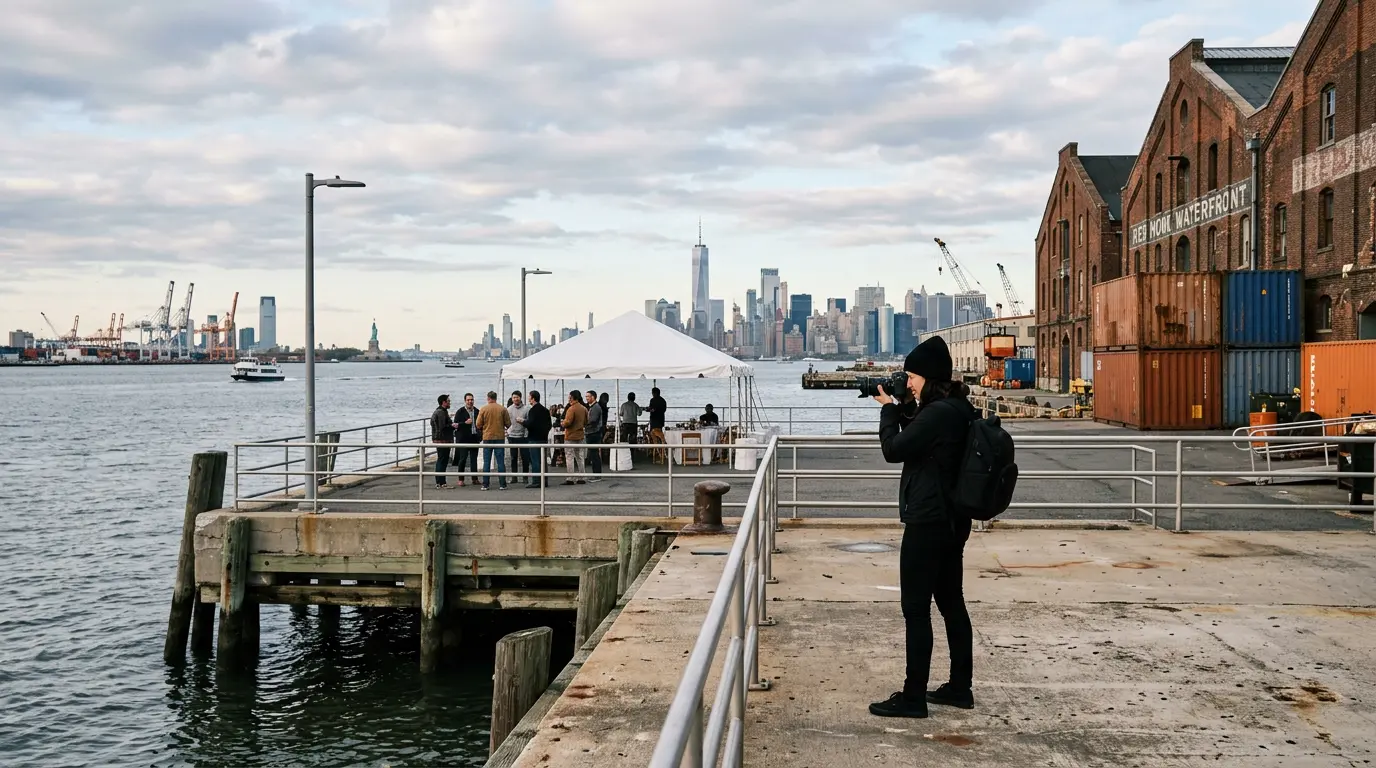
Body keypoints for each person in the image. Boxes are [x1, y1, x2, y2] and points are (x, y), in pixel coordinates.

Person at [868, 336, 977, 719]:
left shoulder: (937, 414)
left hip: (928, 521)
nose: (907, 382)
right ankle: (959, 688)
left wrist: (886, 410)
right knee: (950, 603)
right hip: (951, 521)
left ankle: (913, 697)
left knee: (916, 609)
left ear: (928, 376)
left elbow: (893, 450)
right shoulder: (956, 408)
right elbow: (922, 438)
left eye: (911, 376)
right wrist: (904, 405)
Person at [476, 391, 512, 490]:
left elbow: (478, 424)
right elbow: (508, 423)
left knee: (486, 461)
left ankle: (485, 484)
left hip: (487, 437)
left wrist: (485, 427)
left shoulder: (483, 409)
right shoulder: (502, 409)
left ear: (488, 398)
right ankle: (502, 484)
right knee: (500, 461)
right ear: (496, 398)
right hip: (499, 437)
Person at [524, 390, 552, 488]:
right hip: (543, 438)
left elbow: (530, 424)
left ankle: (536, 481)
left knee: (535, 461)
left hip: (534, 438)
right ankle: (545, 480)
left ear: (533, 398)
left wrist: (523, 421)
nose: (528, 399)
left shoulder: (532, 410)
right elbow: (549, 424)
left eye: (529, 397)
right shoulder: (545, 410)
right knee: (543, 461)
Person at [453, 392, 481, 487]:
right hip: (463, 439)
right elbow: (455, 425)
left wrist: (480, 435)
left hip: (474, 438)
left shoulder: (477, 411)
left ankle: (475, 478)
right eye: (468, 400)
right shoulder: (460, 411)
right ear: (465, 401)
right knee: (463, 459)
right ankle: (461, 479)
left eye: (471, 400)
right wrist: (465, 423)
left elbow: (482, 424)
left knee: (474, 459)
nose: (470, 401)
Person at [562, 390, 588, 485]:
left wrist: (562, 423)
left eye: (569, 397)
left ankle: (570, 478)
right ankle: (582, 476)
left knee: (569, 457)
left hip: (570, 436)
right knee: (580, 456)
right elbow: (586, 421)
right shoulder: (584, 408)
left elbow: (567, 422)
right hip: (580, 435)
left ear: (572, 398)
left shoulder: (571, 409)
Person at [430, 394, 454, 489]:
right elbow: (442, 427)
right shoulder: (441, 412)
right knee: (442, 460)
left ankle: (442, 482)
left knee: (443, 460)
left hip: (441, 439)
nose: (449, 402)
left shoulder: (442, 411)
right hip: (442, 440)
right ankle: (440, 482)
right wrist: (453, 426)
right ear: (443, 402)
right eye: (448, 401)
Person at [508, 390, 531, 484]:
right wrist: (507, 432)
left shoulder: (527, 408)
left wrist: (526, 434)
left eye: (517, 397)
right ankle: (514, 477)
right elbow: (507, 422)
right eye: (514, 397)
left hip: (523, 436)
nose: (515, 399)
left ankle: (525, 477)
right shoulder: (509, 409)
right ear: (512, 399)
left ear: (520, 398)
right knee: (513, 457)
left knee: (525, 457)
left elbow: (529, 422)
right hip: (512, 436)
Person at [584, 390, 604, 480]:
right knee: (593, 454)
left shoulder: (595, 407)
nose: (586, 398)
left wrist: (584, 424)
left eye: (588, 396)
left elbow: (593, 421)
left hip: (593, 432)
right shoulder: (593, 407)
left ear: (593, 397)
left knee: (594, 454)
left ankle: (597, 475)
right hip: (592, 432)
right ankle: (596, 474)